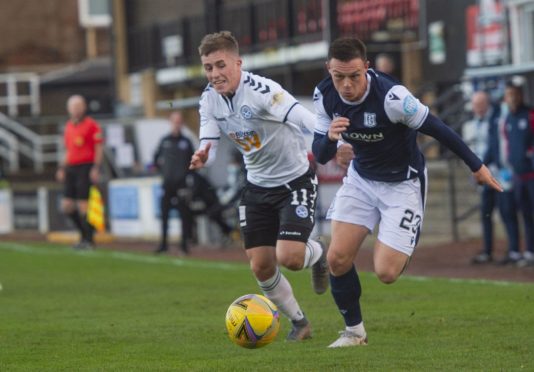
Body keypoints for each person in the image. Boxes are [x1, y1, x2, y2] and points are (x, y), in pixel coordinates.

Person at [311, 37, 502, 348]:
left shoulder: (393, 97)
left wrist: (477, 167)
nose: (346, 85)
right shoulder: (324, 95)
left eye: (354, 76)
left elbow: (438, 128)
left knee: (386, 272)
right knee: (337, 258)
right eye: (339, 76)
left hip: (403, 183)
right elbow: (319, 155)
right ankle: (354, 333)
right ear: (328, 70)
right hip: (361, 180)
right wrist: (331, 141)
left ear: (367, 69)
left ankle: (404, 238)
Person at [190, 31, 329, 341]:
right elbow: (209, 140)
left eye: (220, 65)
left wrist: (332, 136)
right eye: (208, 67)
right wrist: (203, 155)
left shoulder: (264, 91)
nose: (214, 74)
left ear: (238, 63)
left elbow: (303, 117)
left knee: (290, 258)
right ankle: (299, 322)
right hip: (256, 187)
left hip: (295, 181)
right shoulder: (209, 99)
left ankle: (319, 254)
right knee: (261, 266)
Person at [462, 91, 519, 264]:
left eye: (480, 104)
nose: (477, 108)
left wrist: (480, 165)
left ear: (487, 104)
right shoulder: (472, 123)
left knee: (506, 212)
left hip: (499, 173)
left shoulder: (497, 118)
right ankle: (488, 251)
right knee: (486, 213)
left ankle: (514, 251)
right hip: (483, 174)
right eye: (475, 104)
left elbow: (495, 146)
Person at [56, 95, 103, 249]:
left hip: (86, 166)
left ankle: (89, 240)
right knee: (67, 205)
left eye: (78, 106)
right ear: (69, 109)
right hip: (71, 167)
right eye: (73, 106)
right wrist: (62, 168)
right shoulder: (68, 126)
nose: (76, 109)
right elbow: (68, 150)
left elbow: (98, 148)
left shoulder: (92, 125)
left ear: (84, 107)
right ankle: (84, 234)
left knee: (84, 204)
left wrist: (96, 168)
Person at [499, 82, 534, 266]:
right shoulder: (507, 120)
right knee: (525, 214)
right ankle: (529, 251)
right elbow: (507, 145)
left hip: (532, 176)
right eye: (508, 94)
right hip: (518, 176)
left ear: (520, 96)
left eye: (514, 94)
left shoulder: (529, 115)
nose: (511, 98)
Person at [153, 111, 196, 254]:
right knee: (164, 215)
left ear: (182, 123)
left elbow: (193, 162)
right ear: (170, 123)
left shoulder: (186, 142)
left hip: (182, 184)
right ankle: (163, 244)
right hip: (167, 184)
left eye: (179, 121)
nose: (176, 124)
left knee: (185, 215)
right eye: (174, 121)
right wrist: (163, 172)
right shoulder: (164, 141)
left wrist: (188, 177)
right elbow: (155, 159)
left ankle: (184, 245)